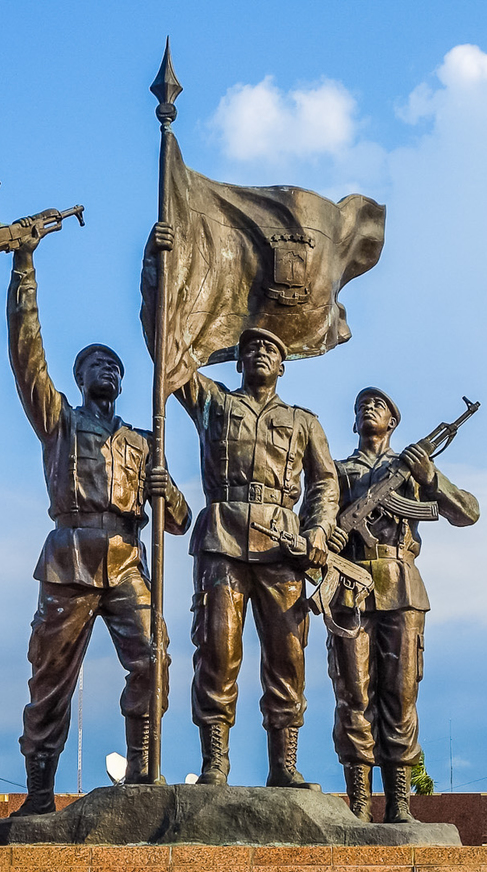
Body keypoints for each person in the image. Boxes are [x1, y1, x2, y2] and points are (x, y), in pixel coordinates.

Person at [7, 231, 189, 814]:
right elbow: (25, 353)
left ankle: (141, 767)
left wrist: (165, 491)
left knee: (152, 659)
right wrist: (24, 269)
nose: (106, 368)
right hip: (71, 552)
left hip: (127, 557)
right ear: (80, 377)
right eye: (95, 363)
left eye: (114, 364)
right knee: (51, 675)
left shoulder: (141, 440)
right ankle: (39, 791)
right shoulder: (58, 420)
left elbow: (180, 518)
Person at [153, 222, 337, 787]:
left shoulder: (304, 422)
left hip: (284, 547)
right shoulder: (212, 402)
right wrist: (157, 268)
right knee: (218, 652)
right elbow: (165, 351)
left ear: (282, 365)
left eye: (270, 350)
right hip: (223, 539)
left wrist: (318, 532)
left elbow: (325, 485)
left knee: (287, 658)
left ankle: (284, 765)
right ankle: (216, 763)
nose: (260, 353)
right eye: (251, 347)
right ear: (237, 362)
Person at [324, 387, 480, 822]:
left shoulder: (410, 469)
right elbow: (311, 526)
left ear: (393, 421)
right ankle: (357, 805)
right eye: (361, 407)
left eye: (379, 405)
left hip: (402, 586)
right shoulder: (337, 471)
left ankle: (398, 806)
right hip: (350, 586)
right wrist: (330, 534)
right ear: (354, 422)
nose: (368, 409)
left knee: (400, 694)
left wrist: (430, 477)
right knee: (352, 695)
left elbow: (467, 512)